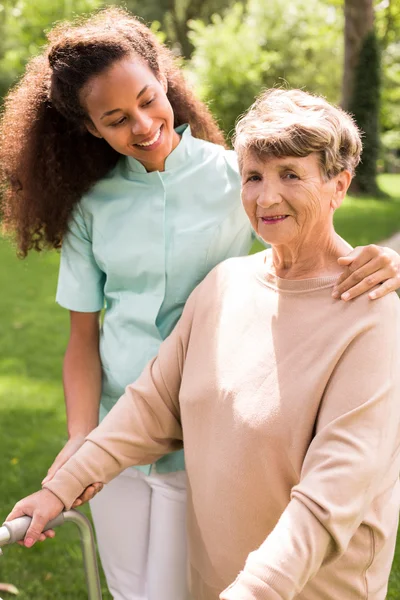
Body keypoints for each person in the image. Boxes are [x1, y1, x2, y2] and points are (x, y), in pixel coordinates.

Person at [1, 9, 400, 599]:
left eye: (291, 174)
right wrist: (66, 479)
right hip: (171, 485)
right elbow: (148, 402)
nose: (266, 197)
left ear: (339, 185)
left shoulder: (370, 318)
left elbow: (326, 499)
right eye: (255, 176)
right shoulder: (225, 285)